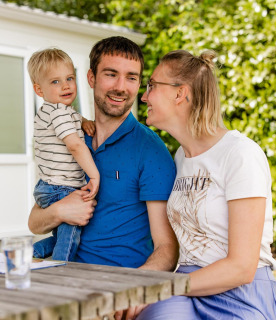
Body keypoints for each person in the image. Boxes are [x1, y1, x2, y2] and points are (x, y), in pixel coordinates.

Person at [131, 50, 276, 319]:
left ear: (180, 94)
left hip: (239, 292)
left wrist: (163, 287)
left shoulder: (240, 154)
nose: (143, 96)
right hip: (186, 287)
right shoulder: (179, 156)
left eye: (152, 85)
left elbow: (241, 267)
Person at [28, 36, 178, 271]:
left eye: (131, 77)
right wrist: (60, 211)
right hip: (63, 281)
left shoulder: (151, 150)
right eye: (111, 74)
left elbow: (167, 248)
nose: (120, 87)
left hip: (117, 286)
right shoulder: (69, 137)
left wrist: (134, 292)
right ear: (91, 78)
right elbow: (35, 222)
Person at [28, 48, 99, 261]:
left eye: (69, 78)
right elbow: (75, 145)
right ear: (39, 90)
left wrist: (84, 121)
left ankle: (31, 253)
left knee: (63, 235)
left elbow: (73, 118)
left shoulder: (55, 110)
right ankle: (60, 270)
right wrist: (94, 175)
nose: (66, 85)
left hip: (48, 185)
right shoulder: (59, 113)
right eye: (55, 82)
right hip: (61, 187)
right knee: (70, 236)